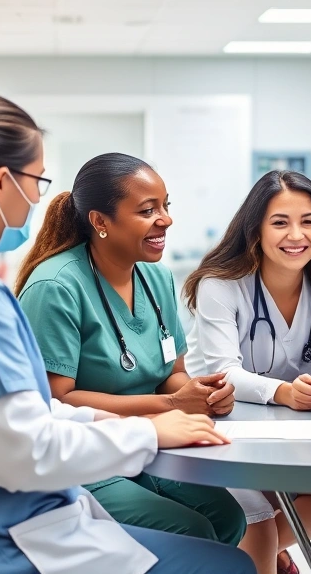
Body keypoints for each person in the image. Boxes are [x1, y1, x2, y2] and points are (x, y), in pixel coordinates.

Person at [0, 90, 255, 574]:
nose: (40, 198)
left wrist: (130, 425)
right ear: (1, 182)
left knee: (219, 524)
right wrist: (147, 430)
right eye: (36, 181)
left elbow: (24, 416)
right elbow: (26, 453)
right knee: (226, 566)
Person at [15, 153, 247, 547]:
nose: (166, 219)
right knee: (190, 531)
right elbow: (58, 399)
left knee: (227, 518)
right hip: (84, 451)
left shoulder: (156, 277)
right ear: (100, 222)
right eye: (147, 210)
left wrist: (200, 393)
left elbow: (172, 372)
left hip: (149, 442)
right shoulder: (56, 287)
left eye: (165, 206)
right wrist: (172, 406)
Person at [182, 169, 311, 574]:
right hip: (218, 426)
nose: (296, 235)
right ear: (255, 230)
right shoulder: (222, 285)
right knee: (257, 523)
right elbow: (225, 371)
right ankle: (261, 549)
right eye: (280, 222)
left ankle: (262, 549)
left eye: (308, 222)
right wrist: (285, 393)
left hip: (288, 432)